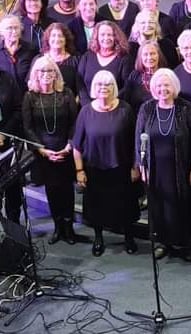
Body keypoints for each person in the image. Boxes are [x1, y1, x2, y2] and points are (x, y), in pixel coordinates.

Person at [135, 69, 191, 261]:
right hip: (155, 169)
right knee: (158, 206)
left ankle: (186, 243)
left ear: (174, 87)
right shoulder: (147, 108)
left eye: (167, 85)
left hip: (181, 168)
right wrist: (141, 165)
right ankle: (162, 242)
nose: (163, 89)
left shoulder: (185, 108)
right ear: (153, 88)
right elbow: (139, 139)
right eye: (159, 85)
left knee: (183, 205)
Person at [73, 70, 139, 257]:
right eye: (100, 85)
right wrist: (79, 170)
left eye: (108, 85)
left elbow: (134, 141)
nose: (104, 88)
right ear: (94, 88)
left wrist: (135, 166)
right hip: (94, 168)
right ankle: (98, 238)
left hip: (121, 166)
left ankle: (129, 237)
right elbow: (77, 145)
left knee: (125, 205)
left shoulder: (125, 109)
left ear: (114, 88)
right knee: (96, 207)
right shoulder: (86, 111)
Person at [22, 56, 78, 244]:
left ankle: (69, 228)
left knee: (67, 191)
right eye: (42, 71)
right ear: (36, 74)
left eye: (50, 71)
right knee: (52, 191)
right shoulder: (30, 96)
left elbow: (74, 123)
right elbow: (28, 128)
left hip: (66, 150)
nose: (46, 75)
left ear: (56, 73)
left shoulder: (66, 93)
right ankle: (58, 226)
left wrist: (69, 146)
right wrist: (42, 150)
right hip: (43, 153)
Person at [77, 21, 132, 105]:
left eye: (109, 35)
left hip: (114, 106)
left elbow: (126, 87)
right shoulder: (87, 56)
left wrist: (107, 103)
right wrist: (87, 104)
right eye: (102, 35)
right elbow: (79, 82)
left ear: (115, 37)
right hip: (88, 107)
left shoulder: (124, 59)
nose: (106, 38)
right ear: (97, 37)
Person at [0, 67, 23, 223]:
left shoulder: (7, 79)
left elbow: (18, 109)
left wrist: (3, 133)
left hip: (8, 143)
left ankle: (14, 228)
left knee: (13, 188)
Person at [123, 40, 167, 113]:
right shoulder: (134, 76)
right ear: (140, 57)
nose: (149, 57)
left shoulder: (166, 75)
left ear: (159, 55)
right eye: (145, 54)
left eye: (153, 54)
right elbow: (127, 101)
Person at [39, 23, 80, 97]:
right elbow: (32, 84)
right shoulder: (39, 60)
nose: (57, 39)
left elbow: (80, 88)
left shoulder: (76, 60)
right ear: (48, 39)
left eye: (60, 36)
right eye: (53, 36)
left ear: (66, 39)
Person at [0, 14, 38, 94]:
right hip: (4, 100)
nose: (14, 31)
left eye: (16, 27)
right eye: (9, 28)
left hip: (26, 97)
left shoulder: (31, 49)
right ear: (1, 31)